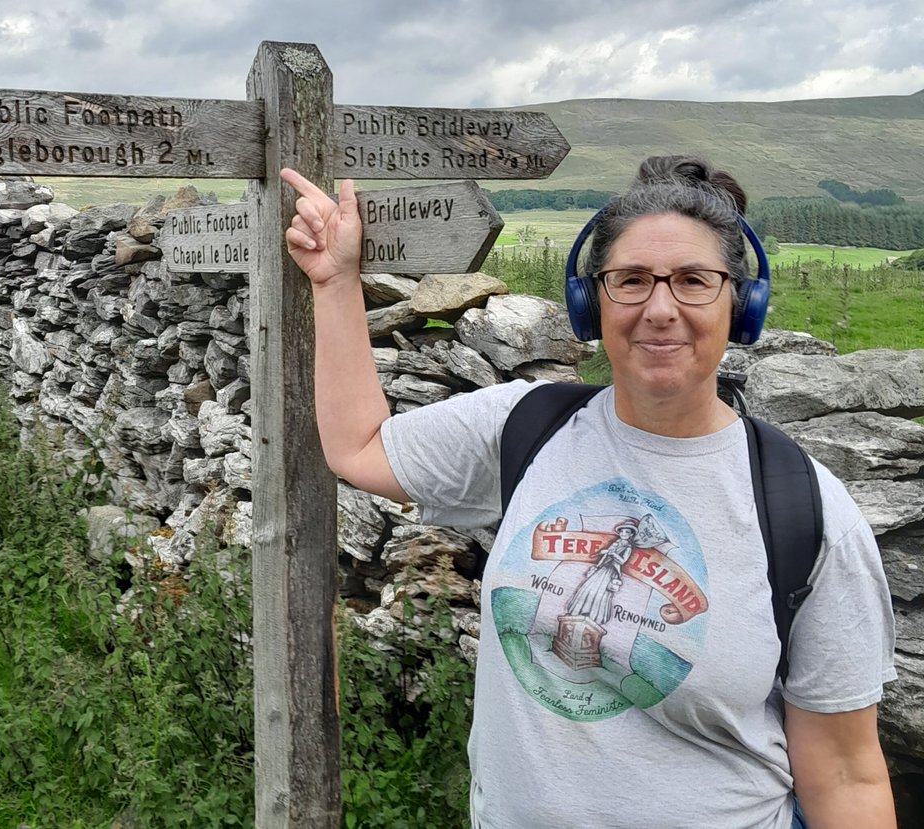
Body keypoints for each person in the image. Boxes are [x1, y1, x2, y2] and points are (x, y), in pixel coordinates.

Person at [280, 156, 897, 828]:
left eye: (694, 280)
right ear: (590, 300)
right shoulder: (526, 427)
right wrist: (335, 282)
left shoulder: (807, 511)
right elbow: (358, 447)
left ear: (741, 304)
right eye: (630, 280)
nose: (660, 308)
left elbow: (844, 772)